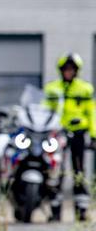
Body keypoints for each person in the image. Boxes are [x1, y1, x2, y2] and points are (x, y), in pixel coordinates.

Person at [44, 53, 94, 222]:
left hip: (78, 134)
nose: (68, 72)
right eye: (66, 69)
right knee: (56, 171)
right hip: (57, 134)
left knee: (78, 171)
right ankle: (55, 211)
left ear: (76, 71)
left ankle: (81, 210)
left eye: (71, 69)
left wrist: (94, 135)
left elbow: (91, 112)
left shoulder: (84, 88)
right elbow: (44, 110)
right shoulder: (52, 88)